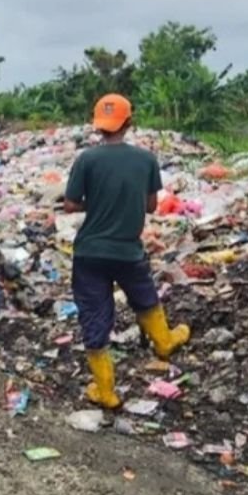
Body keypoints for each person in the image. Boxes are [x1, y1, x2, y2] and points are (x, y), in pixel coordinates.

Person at [64, 94, 191, 410]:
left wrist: (97, 201)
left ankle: (106, 391)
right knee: (145, 298)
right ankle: (164, 342)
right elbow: (151, 206)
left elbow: (70, 204)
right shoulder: (146, 160)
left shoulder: (87, 159)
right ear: (129, 123)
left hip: (90, 253)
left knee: (94, 314)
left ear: (98, 126)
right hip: (128, 251)